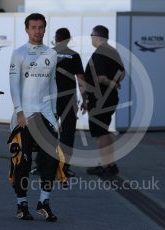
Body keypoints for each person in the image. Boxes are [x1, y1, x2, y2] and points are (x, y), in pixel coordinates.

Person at [9, 13, 58, 222]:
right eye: (33, 27)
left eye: (41, 27)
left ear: (45, 29)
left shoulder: (51, 53)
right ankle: (22, 205)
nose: (37, 31)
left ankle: (44, 203)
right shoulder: (18, 53)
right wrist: (19, 111)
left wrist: (55, 115)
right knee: (23, 163)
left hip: (46, 115)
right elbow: (13, 84)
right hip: (24, 117)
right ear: (26, 29)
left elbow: (52, 84)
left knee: (50, 161)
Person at [84, 25, 125, 178]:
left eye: (91, 35)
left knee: (100, 134)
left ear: (96, 36)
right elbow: (123, 73)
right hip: (110, 98)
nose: (91, 38)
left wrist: (111, 83)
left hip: (100, 100)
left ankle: (106, 166)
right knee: (104, 131)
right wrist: (116, 83)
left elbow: (101, 78)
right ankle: (111, 165)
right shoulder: (113, 52)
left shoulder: (99, 54)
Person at [53, 28, 86, 177]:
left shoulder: (47, 53)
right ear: (68, 40)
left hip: (50, 100)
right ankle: (64, 168)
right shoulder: (74, 55)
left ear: (56, 38)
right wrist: (85, 99)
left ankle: (42, 166)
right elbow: (81, 80)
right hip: (69, 100)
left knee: (46, 132)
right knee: (67, 134)